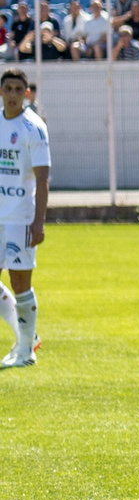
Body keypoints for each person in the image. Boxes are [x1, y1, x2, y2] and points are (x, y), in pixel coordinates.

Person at [0, 68, 50, 368]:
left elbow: (43, 178)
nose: (14, 94)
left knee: (19, 282)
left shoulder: (34, 128)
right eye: (9, 88)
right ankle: (25, 337)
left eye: (20, 89)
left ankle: (26, 352)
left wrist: (39, 222)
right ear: (1, 92)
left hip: (20, 217)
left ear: (27, 94)